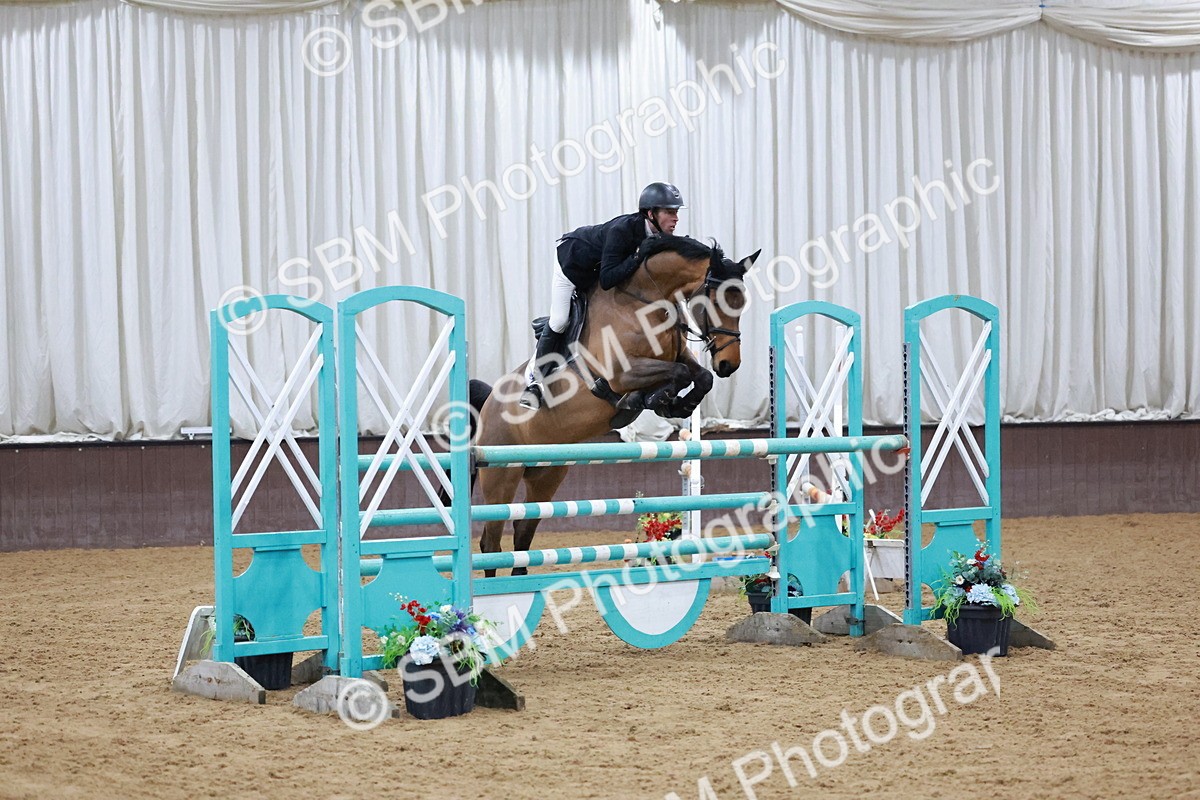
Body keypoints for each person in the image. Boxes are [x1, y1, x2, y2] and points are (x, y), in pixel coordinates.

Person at [520, 182, 685, 409]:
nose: (675, 218)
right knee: (560, 320)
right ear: (650, 213)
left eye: (676, 212)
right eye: (669, 212)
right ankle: (533, 383)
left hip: (597, 270)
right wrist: (638, 255)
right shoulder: (623, 230)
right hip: (572, 265)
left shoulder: (659, 235)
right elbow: (608, 279)